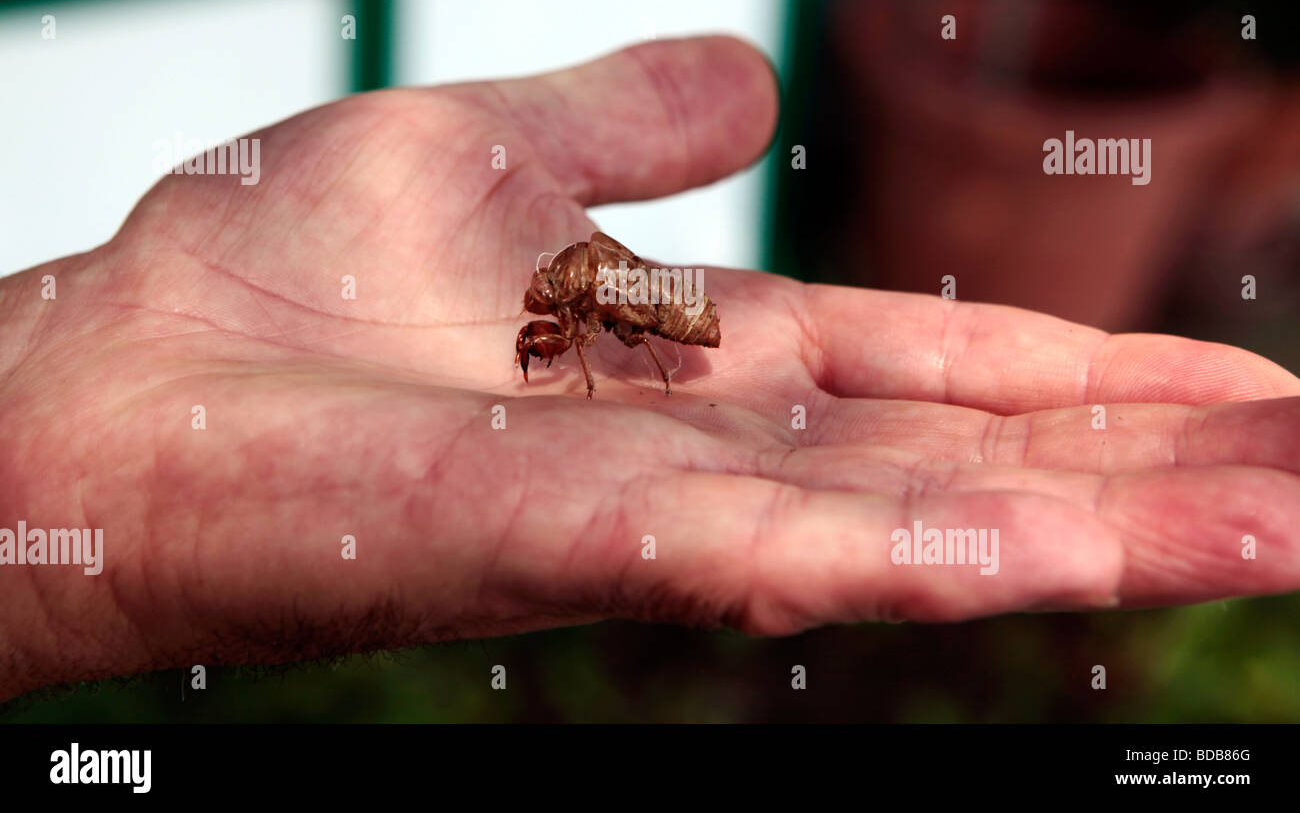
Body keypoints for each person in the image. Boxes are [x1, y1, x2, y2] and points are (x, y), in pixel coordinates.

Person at [2, 36, 1297, 703]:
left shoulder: (598, 314)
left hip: (642, 313)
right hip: (638, 312)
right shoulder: (589, 316)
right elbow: (602, 324)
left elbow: (614, 324)